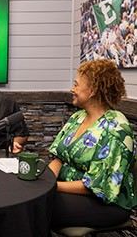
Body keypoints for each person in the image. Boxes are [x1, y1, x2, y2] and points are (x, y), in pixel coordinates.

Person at [49, 59, 137, 228]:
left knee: (39, 206)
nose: (72, 89)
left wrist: (53, 186)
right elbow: (58, 158)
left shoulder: (116, 128)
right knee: (33, 200)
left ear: (92, 90)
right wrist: (44, 182)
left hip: (105, 203)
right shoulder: (77, 117)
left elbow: (97, 186)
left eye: (76, 85)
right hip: (68, 190)